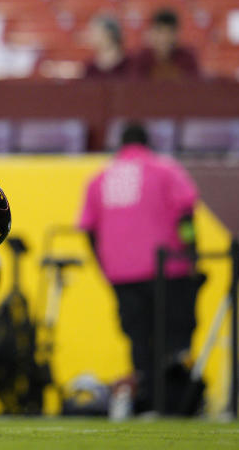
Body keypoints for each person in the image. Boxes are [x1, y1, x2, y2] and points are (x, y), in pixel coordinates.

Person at [78, 123, 201, 414]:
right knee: (170, 339)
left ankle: (146, 401)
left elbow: (89, 230)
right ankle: (173, 401)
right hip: (167, 270)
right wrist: (192, 254)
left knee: (138, 340)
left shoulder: (100, 179)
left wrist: (104, 265)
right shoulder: (166, 170)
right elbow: (186, 218)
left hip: (122, 274)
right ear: (149, 143)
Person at [133, 8, 200, 80]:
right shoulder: (140, 60)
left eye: (169, 32)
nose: (164, 38)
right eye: (160, 32)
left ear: (177, 35)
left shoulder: (187, 59)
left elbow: (194, 87)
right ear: (151, 33)